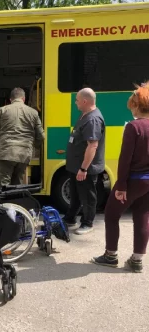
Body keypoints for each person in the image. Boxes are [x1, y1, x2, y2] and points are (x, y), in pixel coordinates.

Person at [92, 83, 149, 272]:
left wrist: (121, 186)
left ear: (136, 105)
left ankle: (110, 255)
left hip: (132, 179)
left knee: (111, 213)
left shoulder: (133, 127)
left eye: (131, 104)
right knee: (142, 216)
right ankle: (137, 260)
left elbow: (125, 160)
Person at [63, 88, 105, 235]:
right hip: (76, 166)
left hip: (85, 168)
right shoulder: (85, 115)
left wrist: (83, 169)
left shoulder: (92, 119)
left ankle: (88, 223)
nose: (75, 103)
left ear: (85, 101)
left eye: (77, 100)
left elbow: (93, 145)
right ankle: (70, 219)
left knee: (87, 196)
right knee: (75, 195)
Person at [0, 87, 45, 187]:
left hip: (5, 153)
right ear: (24, 99)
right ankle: (15, 202)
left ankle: (2, 203)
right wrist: (33, 147)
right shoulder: (33, 112)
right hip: (24, 155)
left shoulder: (2, 110)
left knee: (2, 187)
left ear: (11, 99)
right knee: (17, 187)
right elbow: (41, 135)